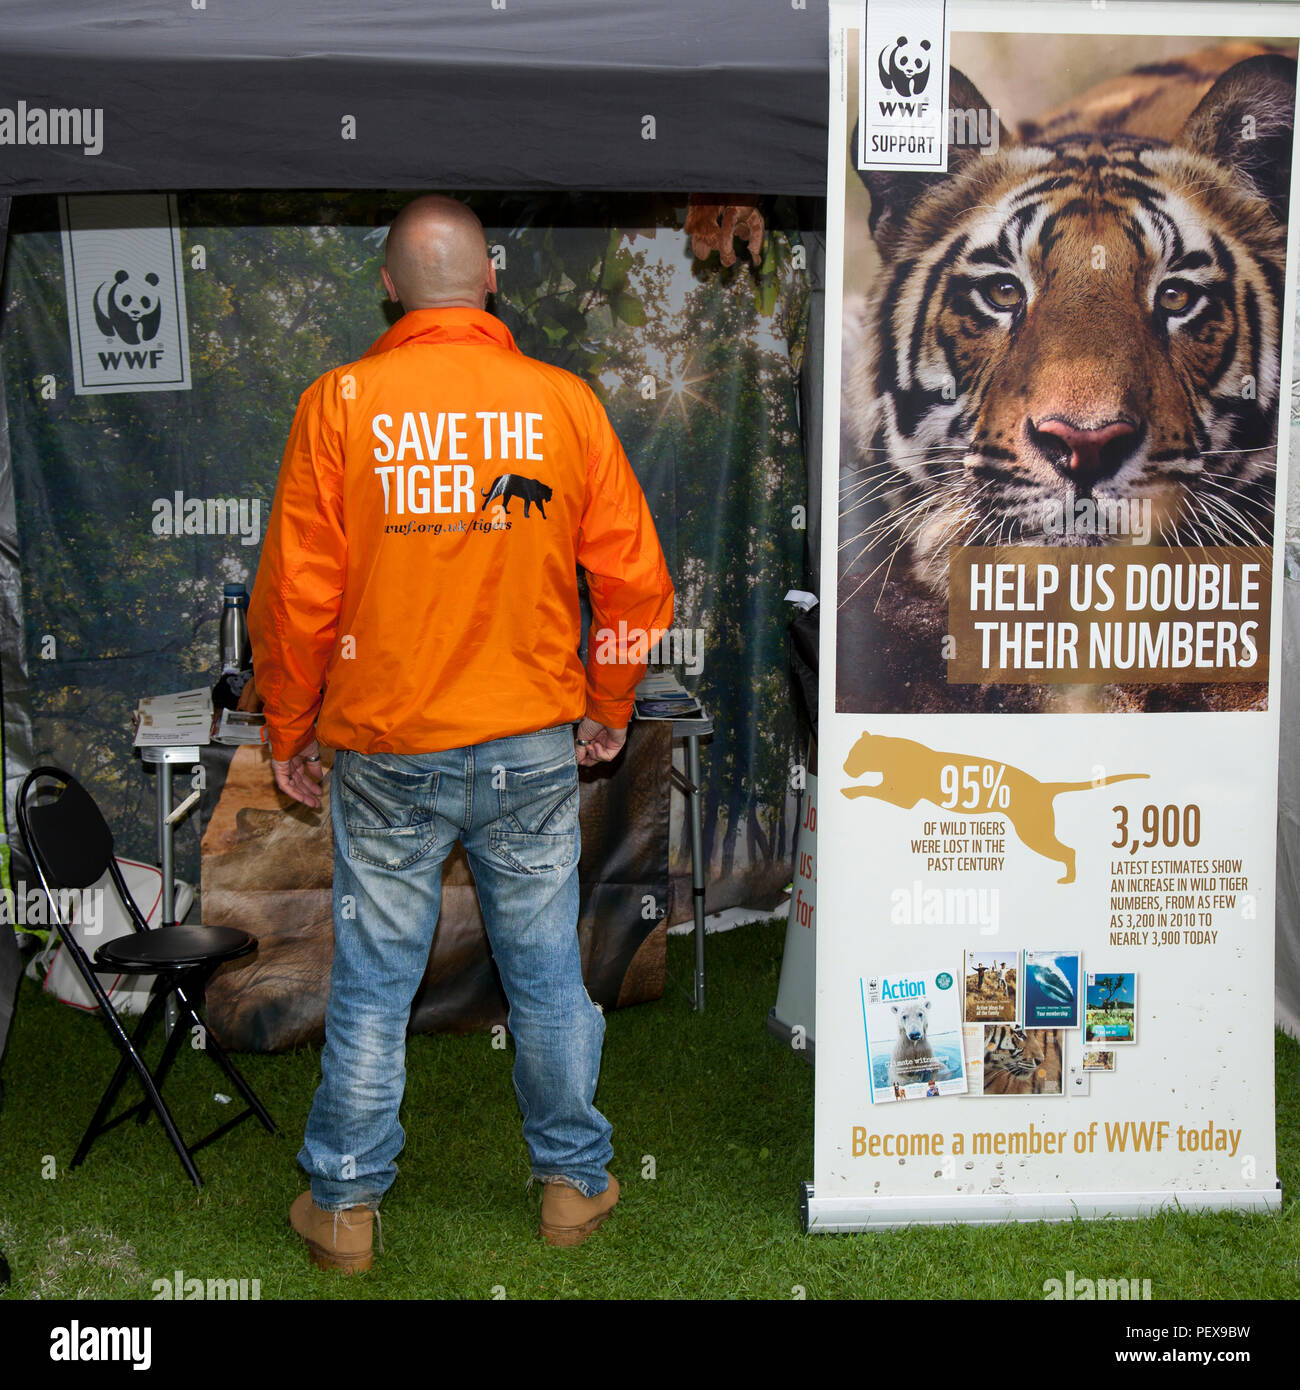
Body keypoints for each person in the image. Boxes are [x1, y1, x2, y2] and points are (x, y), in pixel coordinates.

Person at [249, 194, 674, 1270]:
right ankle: (573, 1183)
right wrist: (606, 707)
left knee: (375, 983)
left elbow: (297, 599)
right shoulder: (561, 402)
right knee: (544, 977)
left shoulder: (339, 402)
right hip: (527, 747)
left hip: (386, 750)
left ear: (390, 284)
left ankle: (344, 1207)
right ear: (491, 275)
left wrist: (289, 728)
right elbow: (635, 583)